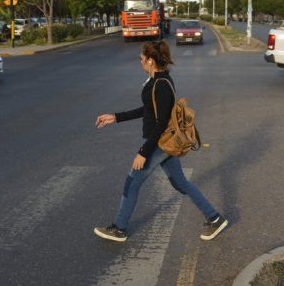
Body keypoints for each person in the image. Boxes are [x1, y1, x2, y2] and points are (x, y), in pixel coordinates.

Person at [93, 40, 227, 242]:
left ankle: (119, 228)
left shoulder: (161, 84)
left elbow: (162, 122)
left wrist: (143, 152)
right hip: (162, 141)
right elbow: (148, 110)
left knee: (132, 183)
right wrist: (116, 117)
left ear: (150, 61)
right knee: (180, 183)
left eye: (142, 58)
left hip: (159, 143)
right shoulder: (157, 80)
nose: (140, 61)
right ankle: (215, 218)